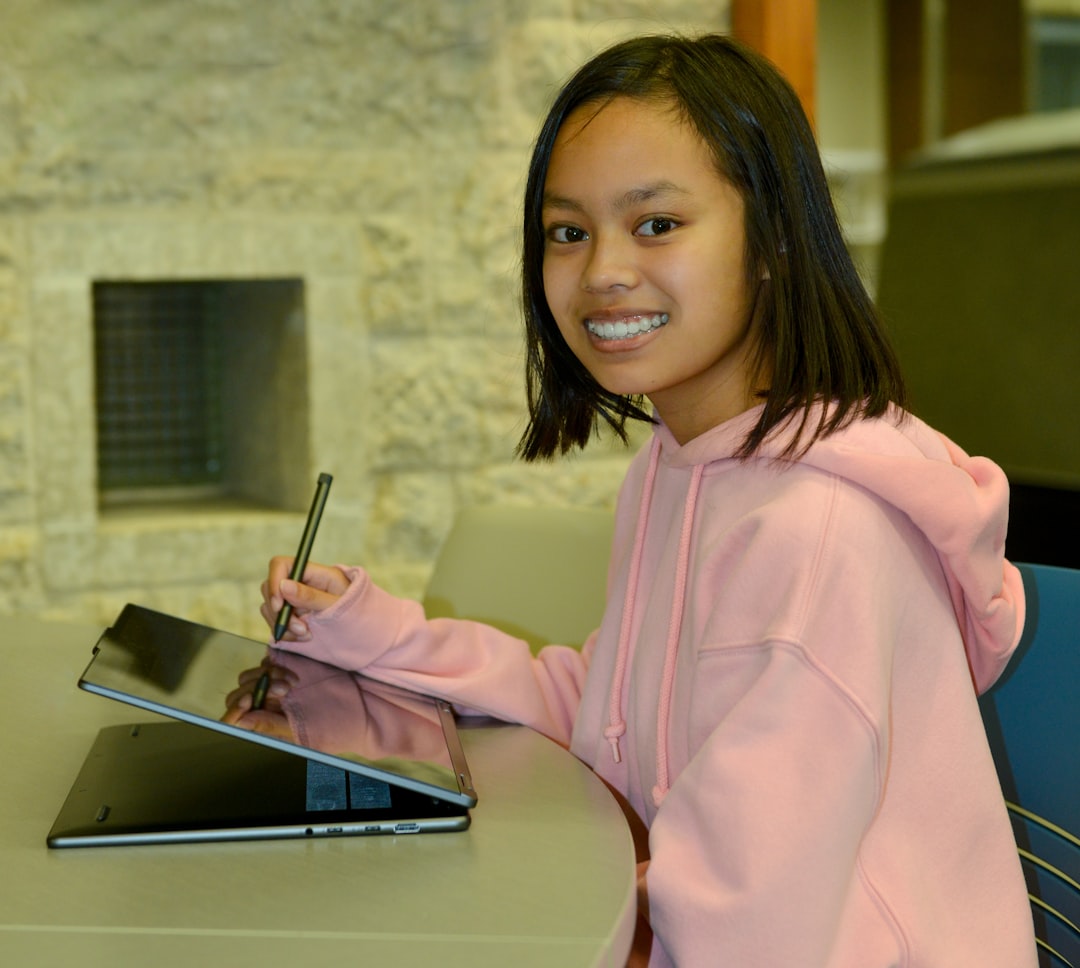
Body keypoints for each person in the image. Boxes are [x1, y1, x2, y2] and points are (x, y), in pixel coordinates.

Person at [249, 34, 1036, 967]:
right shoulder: (677, 468)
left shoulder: (815, 532)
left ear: (776, 241)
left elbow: (748, 913)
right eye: (567, 231)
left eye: (656, 224)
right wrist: (374, 637)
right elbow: (608, 710)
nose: (602, 272)